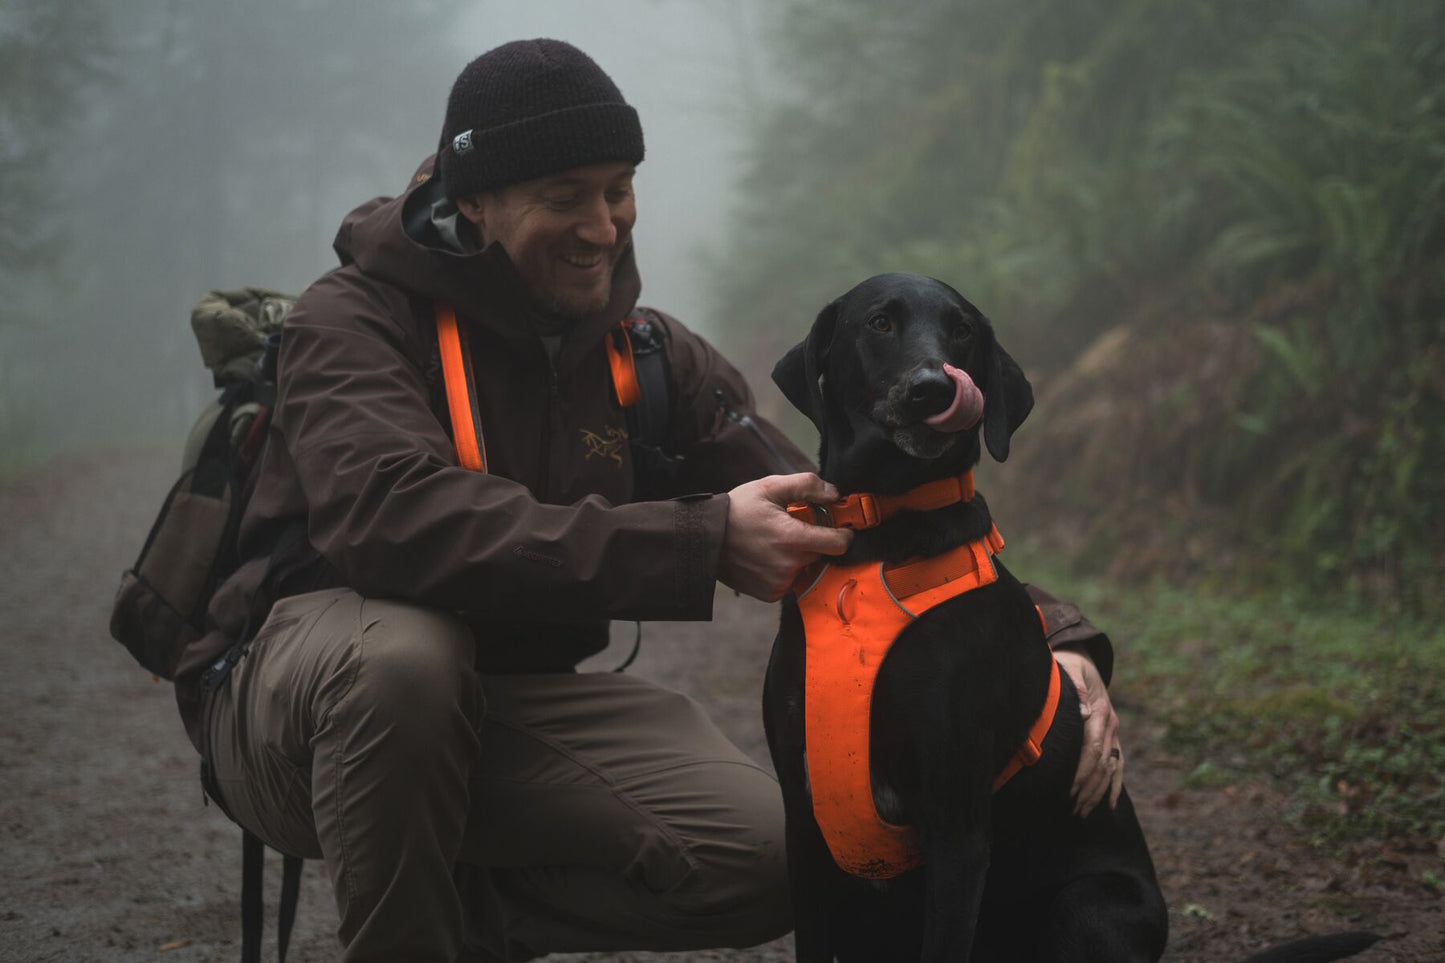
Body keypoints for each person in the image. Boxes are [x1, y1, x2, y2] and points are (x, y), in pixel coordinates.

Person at [172, 38, 1126, 963]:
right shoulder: (351, 319)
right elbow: (393, 520)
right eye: (564, 198)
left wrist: (1051, 638)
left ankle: (460, 920)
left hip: (500, 708)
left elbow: (847, 511)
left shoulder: (643, 355)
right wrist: (701, 540)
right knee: (407, 663)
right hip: (300, 706)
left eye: (618, 190)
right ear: (474, 202)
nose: (602, 225)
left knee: (773, 857)